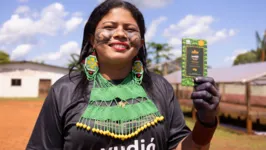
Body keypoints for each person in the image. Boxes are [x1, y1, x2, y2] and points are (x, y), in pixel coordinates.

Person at [26, 0, 220, 149]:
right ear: (92, 39)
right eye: (109, 27)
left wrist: (206, 123)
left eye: (130, 29)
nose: (120, 34)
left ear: (141, 43)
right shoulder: (64, 90)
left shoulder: (160, 87)